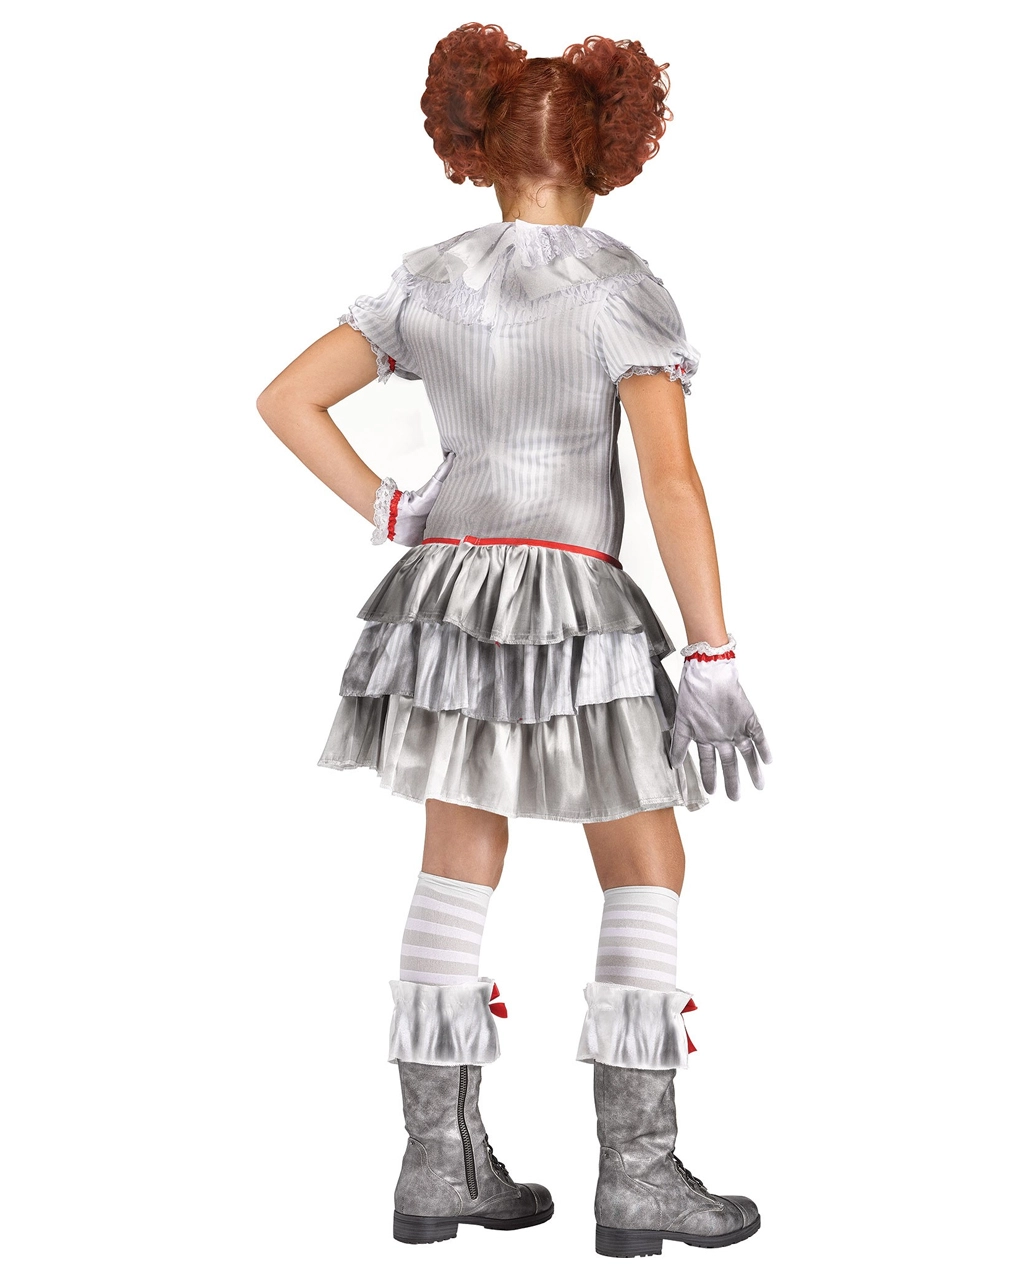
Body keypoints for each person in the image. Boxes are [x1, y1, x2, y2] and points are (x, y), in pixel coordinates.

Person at [256, 22, 772, 1258]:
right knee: (643, 855)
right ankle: (637, 1174)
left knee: (456, 854)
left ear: (476, 149)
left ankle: (437, 1163)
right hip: (574, 601)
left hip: (448, 599)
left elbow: (285, 398)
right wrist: (709, 652)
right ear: (607, 151)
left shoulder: (426, 278)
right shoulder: (618, 286)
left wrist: (389, 507)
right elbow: (670, 482)